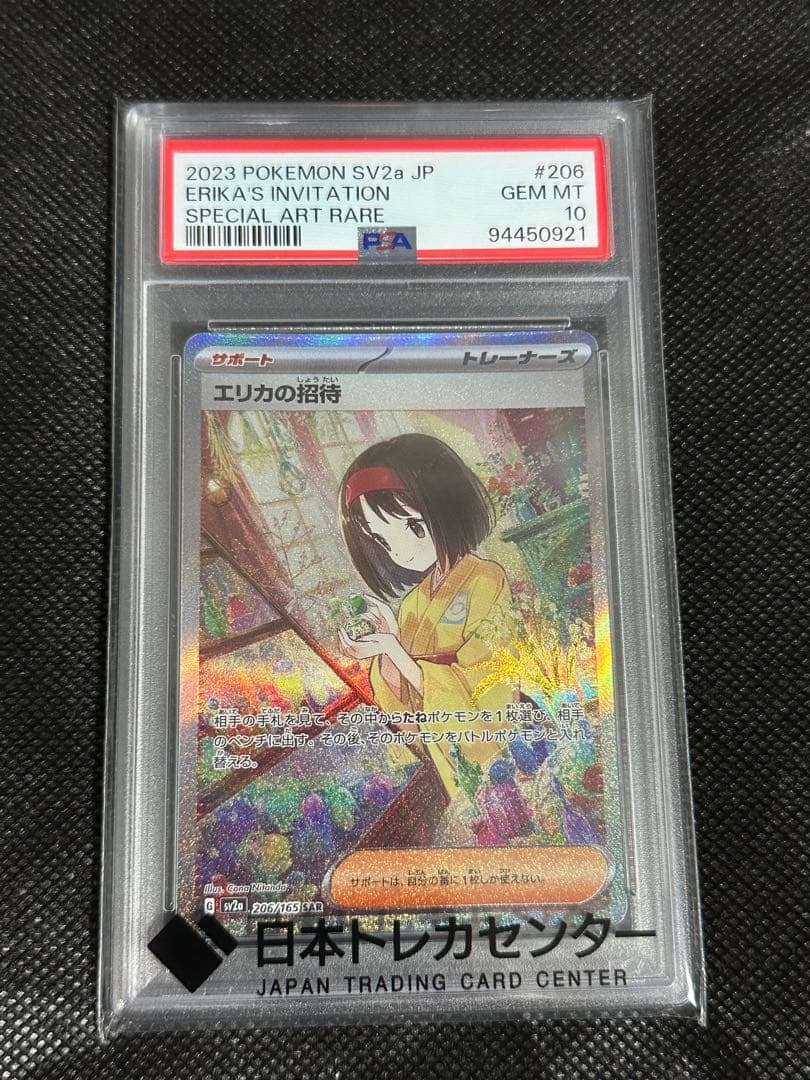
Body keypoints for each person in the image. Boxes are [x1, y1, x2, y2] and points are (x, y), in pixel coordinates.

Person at [338, 433, 518, 796]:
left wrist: (397, 650)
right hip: (442, 752)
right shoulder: (412, 604)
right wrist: (387, 647)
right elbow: (404, 712)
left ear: (447, 509)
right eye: (383, 540)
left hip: (490, 754)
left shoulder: (487, 580)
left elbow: (491, 689)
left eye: (413, 526)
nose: (400, 552)